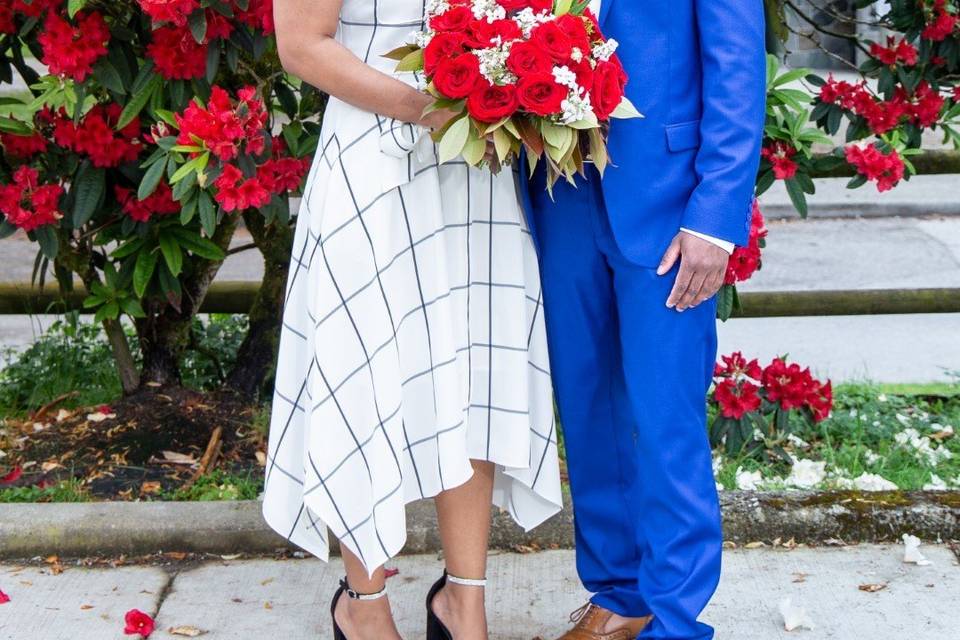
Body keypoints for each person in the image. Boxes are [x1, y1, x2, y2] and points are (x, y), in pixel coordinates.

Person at [262, 2, 562, 640]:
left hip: (477, 168)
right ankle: (364, 606)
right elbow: (302, 47)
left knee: (477, 372)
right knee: (361, 374)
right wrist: (433, 111)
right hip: (375, 160)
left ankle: (465, 604)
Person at [520, 1, 767, 639]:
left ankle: (677, 621)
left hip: (668, 204)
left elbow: (737, 67)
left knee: (665, 418)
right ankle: (619, 596)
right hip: (560, 187)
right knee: (588, 407)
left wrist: (715, 216)